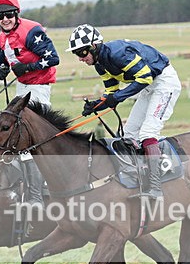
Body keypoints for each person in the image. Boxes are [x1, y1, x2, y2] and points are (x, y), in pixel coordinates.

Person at [67, 24, 181, 199]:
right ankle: (140, 178)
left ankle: (156, 187)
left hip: (164, 83)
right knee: (129, 134)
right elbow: (111, 93)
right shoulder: (100, 65)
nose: (80, 58)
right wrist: (96, 105)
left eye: (82, 52)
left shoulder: (118, 53)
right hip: (149, 87)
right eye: (77, 54)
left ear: (94, 46)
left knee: (148, 132)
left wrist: (118, 97)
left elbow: (145, 77)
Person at [0, 0, 60, 207]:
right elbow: (3, 60)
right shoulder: (1, 38)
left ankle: (37, 196)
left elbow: (53, 58)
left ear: (16, 13)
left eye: (9, 14)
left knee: (29, 142)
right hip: (22, 87)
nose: (5, 19)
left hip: (38, 88)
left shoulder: (32, 31)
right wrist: (1, 70)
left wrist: (29, 67)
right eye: (0, 16)